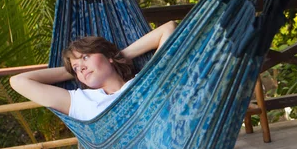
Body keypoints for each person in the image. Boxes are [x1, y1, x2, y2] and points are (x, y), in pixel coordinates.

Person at [10, 21, 177, 121]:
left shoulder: (146, 80)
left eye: (85, 57)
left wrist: (119, 56)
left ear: (107, 56)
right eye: (75, 68)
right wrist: (74, 69)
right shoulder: (81, 101)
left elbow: (169, 28)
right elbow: (18, 81)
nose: (80, 67)